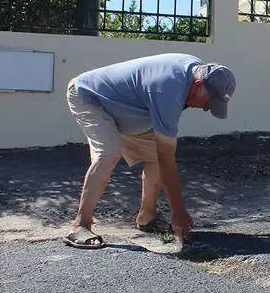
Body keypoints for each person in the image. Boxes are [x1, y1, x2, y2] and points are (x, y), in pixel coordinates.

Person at [64, 53, 236, 249]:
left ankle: (147, 217)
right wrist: (177, 212)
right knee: (109, 152)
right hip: (90, 97)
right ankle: (80, 225)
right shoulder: (169, 89)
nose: (206, 108)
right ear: (197, 85)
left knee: (155, 156)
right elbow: (167, 155)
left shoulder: (194, 72)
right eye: (208, 101)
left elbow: (162, 154)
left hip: (126, 109)